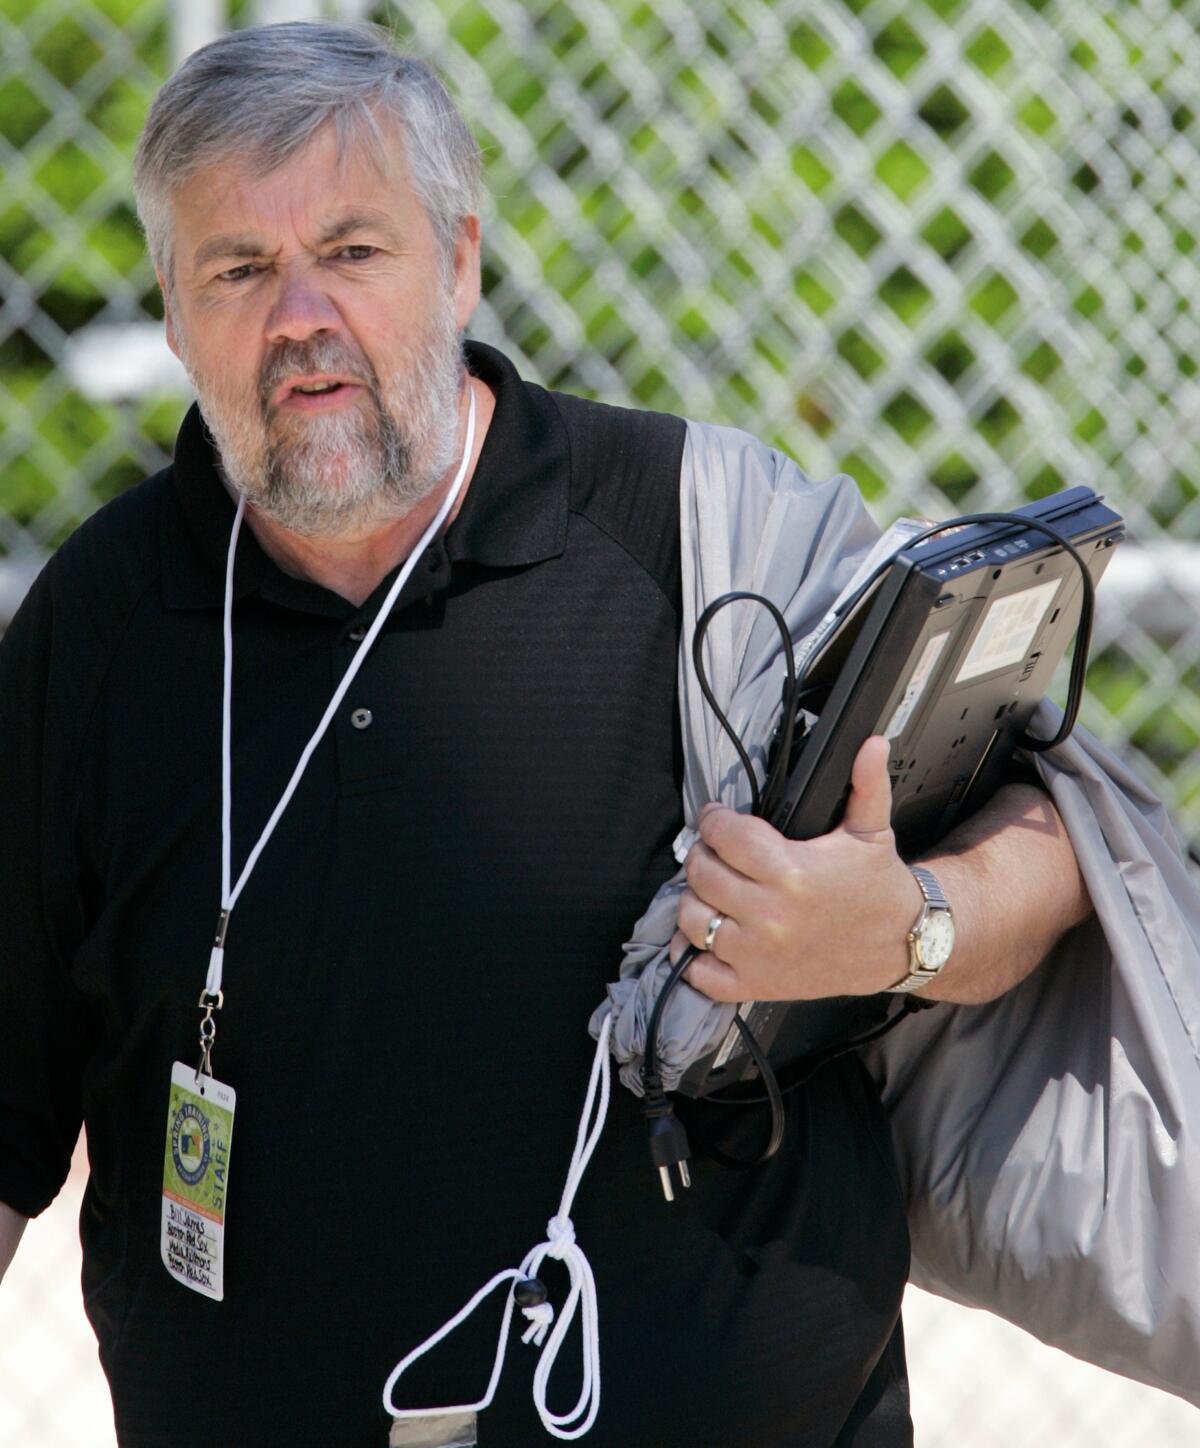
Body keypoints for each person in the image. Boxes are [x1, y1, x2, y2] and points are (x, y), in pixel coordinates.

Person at [0, 22, 1093, 1448]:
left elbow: (1067, 834)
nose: (299, 316)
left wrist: (905, 929)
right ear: (172, 310)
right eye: (238, 269)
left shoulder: (706, 536)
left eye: (353, 250)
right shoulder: (101, 625)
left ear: (459, 260)